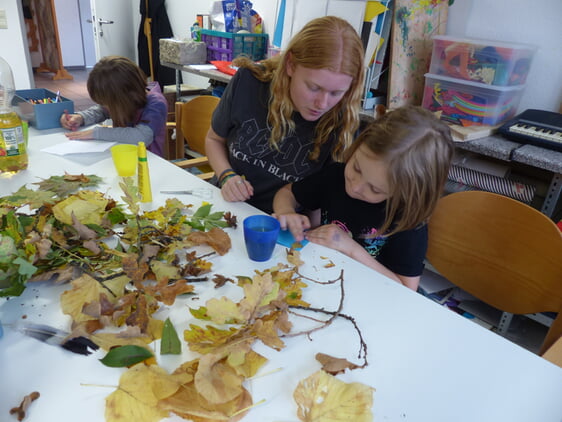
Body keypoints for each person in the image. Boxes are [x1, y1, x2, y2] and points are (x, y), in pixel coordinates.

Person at [273, 106, 455, 291]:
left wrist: (350, 249)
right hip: (325, 281)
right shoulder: (335, 175)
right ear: (358, 145)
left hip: (371, 295)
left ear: (405, 193)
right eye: (356, 168)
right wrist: (285, 211)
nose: (355, 186)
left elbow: (407, 289)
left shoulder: (408, 219)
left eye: (375, 189)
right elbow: (287, 193)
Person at [205, 16, 365, 214]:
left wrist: (305, 225)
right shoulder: (249, 83)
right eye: (314, 87)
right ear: (290, 64)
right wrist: (226, 175)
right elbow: (213, 139)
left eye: (336, 93)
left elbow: (323, 202)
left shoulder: (343, 123)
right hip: (226, 206)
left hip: (283, 229)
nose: (322, 104)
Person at [59, 56, 168, 157]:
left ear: (123, 96)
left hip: (148, 163)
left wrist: (96, 133)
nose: (107, 107)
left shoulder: (156, 104)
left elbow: (141, 136)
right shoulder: (123, 99)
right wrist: (80, 118)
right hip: (122, 155)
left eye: (108, 103)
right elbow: (101, 111)